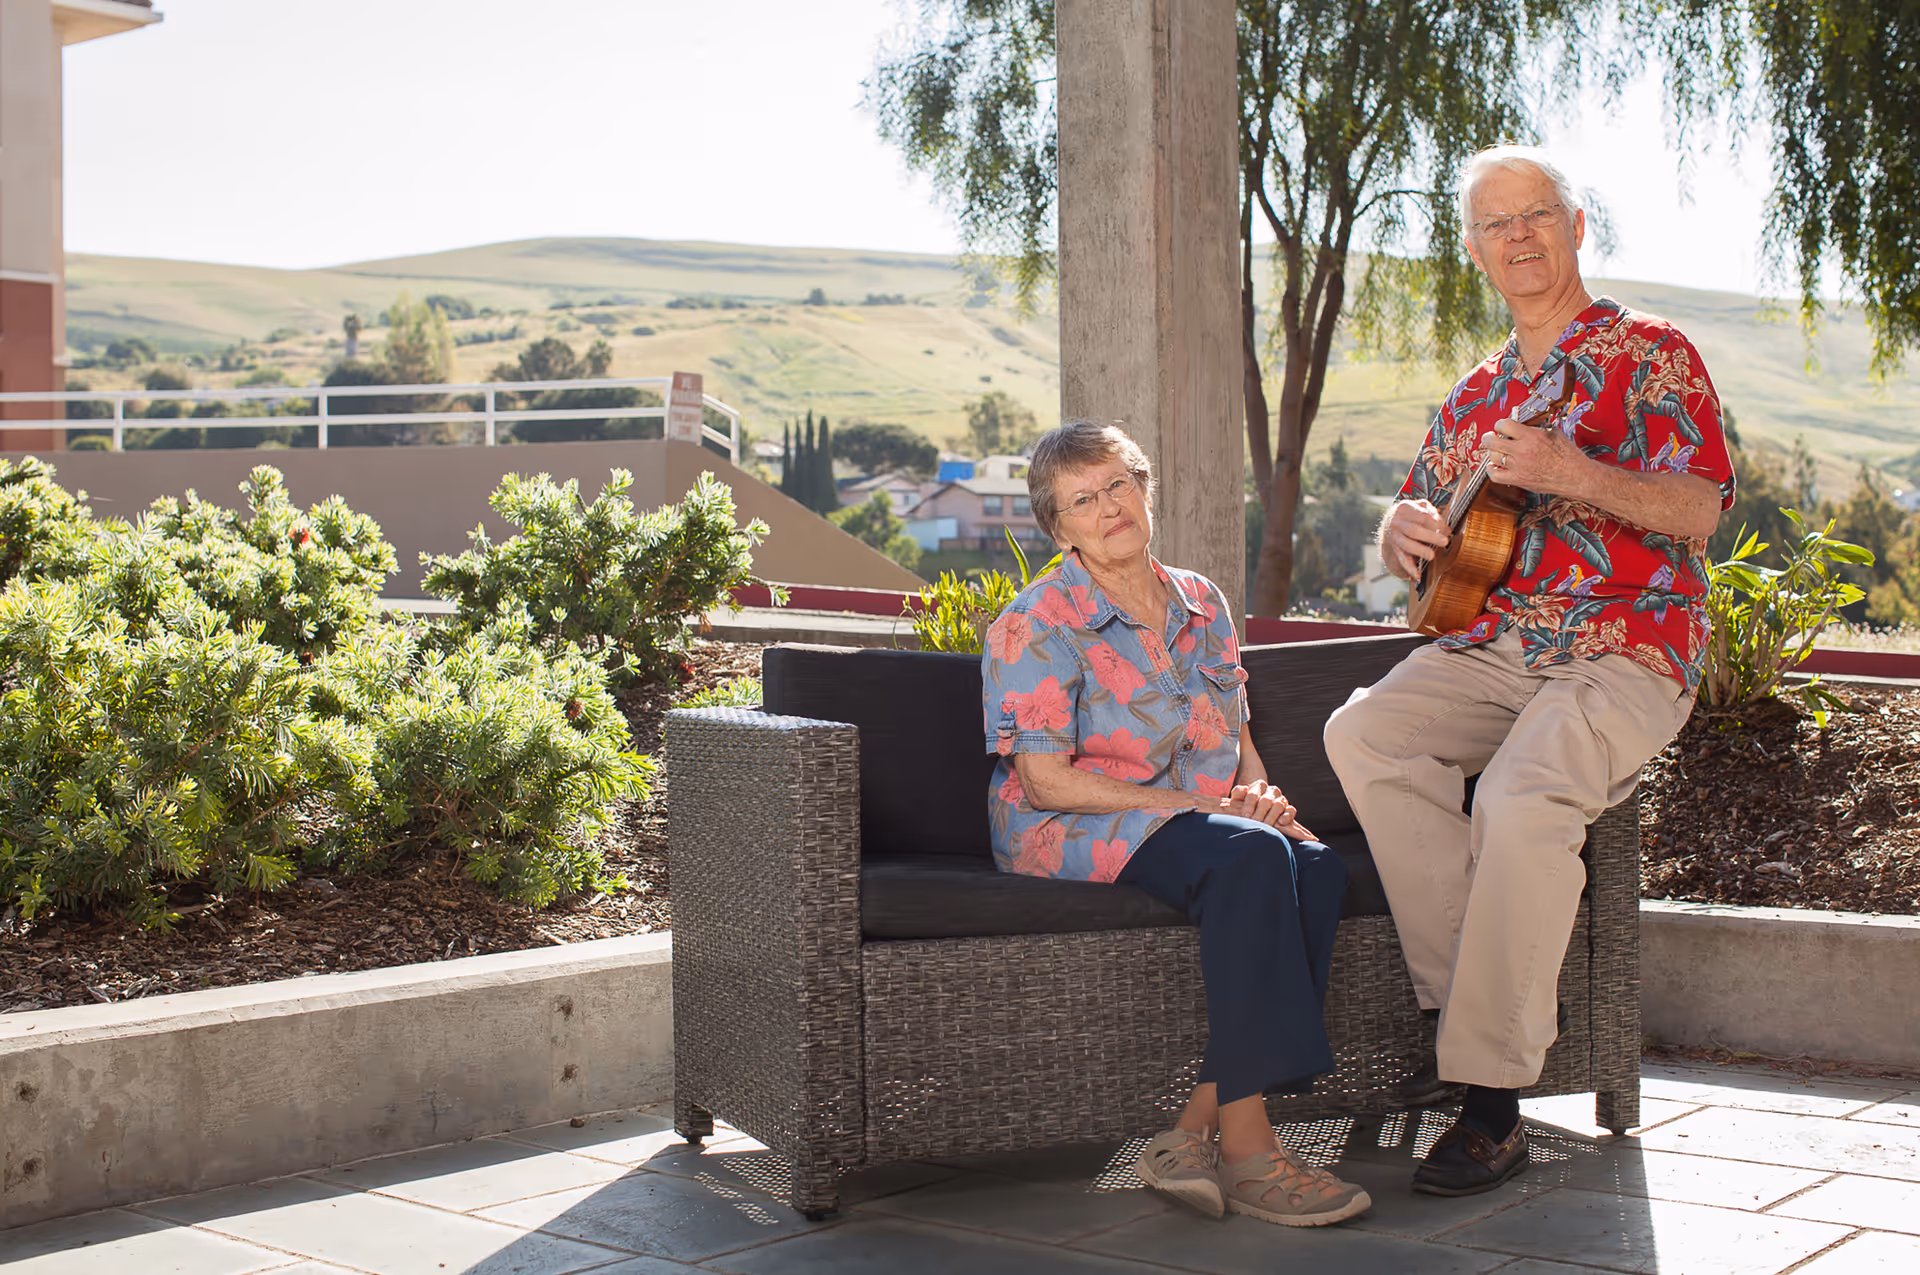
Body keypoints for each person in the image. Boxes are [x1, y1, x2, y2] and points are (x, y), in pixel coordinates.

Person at [1323, 145, 1734, 1197]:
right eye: (1496, 225)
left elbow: (1700, 511)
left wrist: (1575, 473)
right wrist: (1398, 533)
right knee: (1362, 731)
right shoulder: (1477, 393)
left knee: (1520, 794)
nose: (1519, 237)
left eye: (1536, 216)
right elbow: (1422, 524)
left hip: (1626, 645)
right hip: (1497, 645)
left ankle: (1492, 1099)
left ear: (1576, 225)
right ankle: (1467, 1009)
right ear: (1474, 252)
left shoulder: (1652, 354)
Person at [981, 419, 1370, 1227]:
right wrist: (1218, 810)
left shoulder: (1203, 600)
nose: (1108, 507)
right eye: (1082, 499)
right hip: (1068, 822)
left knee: (1319, 864)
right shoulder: (1036, 620)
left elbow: (1238, 735)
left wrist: (1264, 800)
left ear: (1145, 488)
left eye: (1117, 484)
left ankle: (1190, 1130)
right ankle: (1252, 1150)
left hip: (1203, 816)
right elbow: (1046, 781)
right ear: (1060, 529)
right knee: (1249, 859)